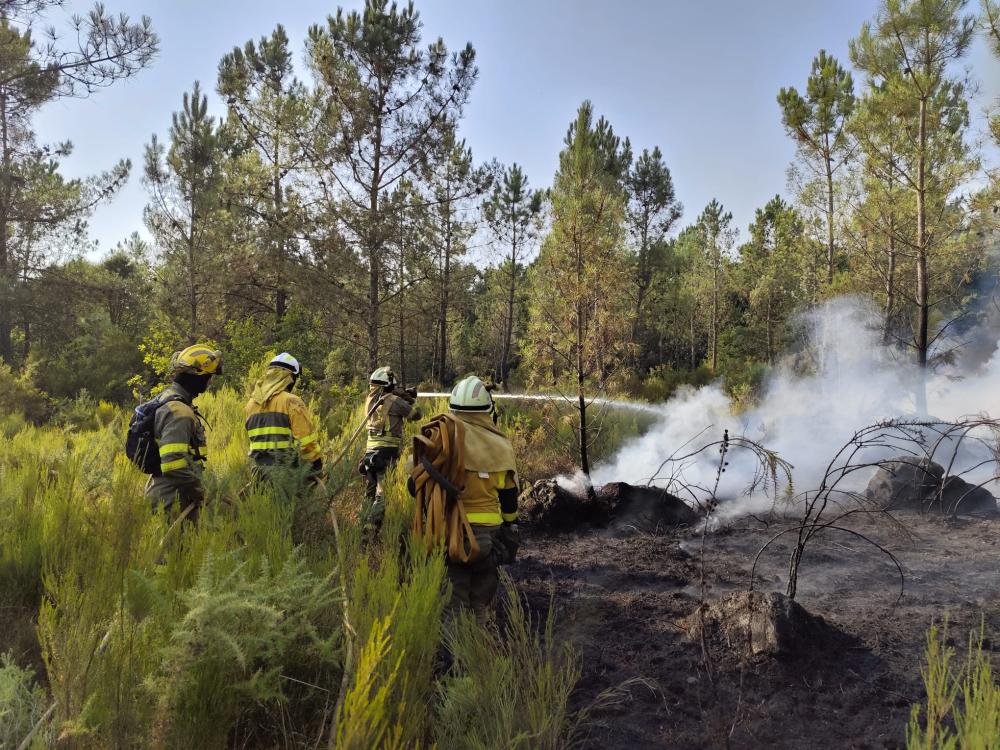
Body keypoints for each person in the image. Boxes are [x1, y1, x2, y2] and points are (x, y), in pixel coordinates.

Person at [421, 375, 520, 617]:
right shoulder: (501, 446)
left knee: (452, 604)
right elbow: (509, 498)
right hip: (488, 536)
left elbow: (416, 486)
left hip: (451, 531)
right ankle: (477, 635)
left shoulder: (440, 441)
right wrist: (511, 525)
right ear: (488, 410)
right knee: (480, 603)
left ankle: (454, 639)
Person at [144, 344, 223, 521]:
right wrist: (201, 491)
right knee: (181, 540)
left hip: (170, 494)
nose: (209, 382)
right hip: (172, 501)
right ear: (198, 378)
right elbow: (174, 465)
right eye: (209, 377)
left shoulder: (168, 399)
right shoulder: (180, 412)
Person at [244, 352, 323, 496]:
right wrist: (316, 465)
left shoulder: (251, 404)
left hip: (258, 474)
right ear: (289, 378)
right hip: (285, 475)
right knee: (290, 509)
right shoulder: (291, 401)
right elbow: (305, 441)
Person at [360, 366, 421, 532]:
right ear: (389, 385)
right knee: (382, 493)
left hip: (370, 453)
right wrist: (412, 399)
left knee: (369, 492)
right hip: (386, 454)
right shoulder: (395, 401)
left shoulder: (370, 401)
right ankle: (371, 529)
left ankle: (361, 525)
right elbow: (416, 415)